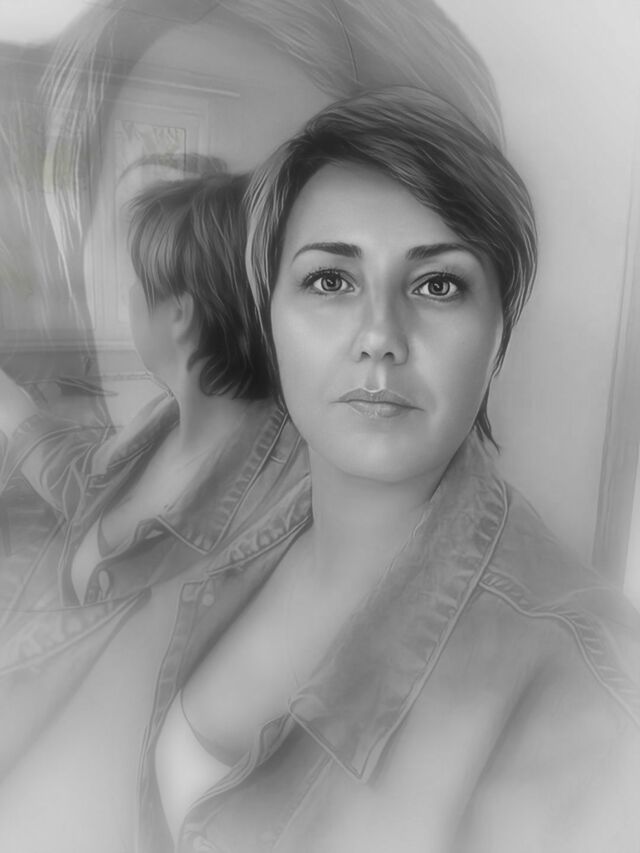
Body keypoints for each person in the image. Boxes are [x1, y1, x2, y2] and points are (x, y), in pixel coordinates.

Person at [143, 88, 640, 853]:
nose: (380, 335)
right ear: (269, 317)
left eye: (438, 284)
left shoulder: (584, 681)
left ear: (500, 332)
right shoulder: (244, 503)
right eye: (330, 280)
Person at [0, 171, 308, 852]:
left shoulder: (293, 489)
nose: (124, 302)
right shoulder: (162, 422)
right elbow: (88, 484)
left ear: (180, 313)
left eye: (134, 286)